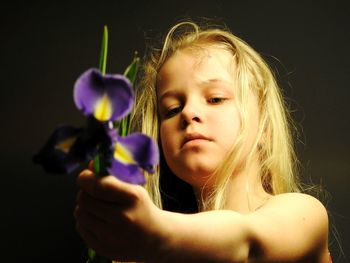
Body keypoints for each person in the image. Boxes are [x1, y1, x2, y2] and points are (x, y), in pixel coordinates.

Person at [74, 21, 331, 262]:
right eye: (172, 109)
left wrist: (154, 232)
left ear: (265, 127)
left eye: (216, 98)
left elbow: (246, 242)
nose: (187, 113)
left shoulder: (304, 215)